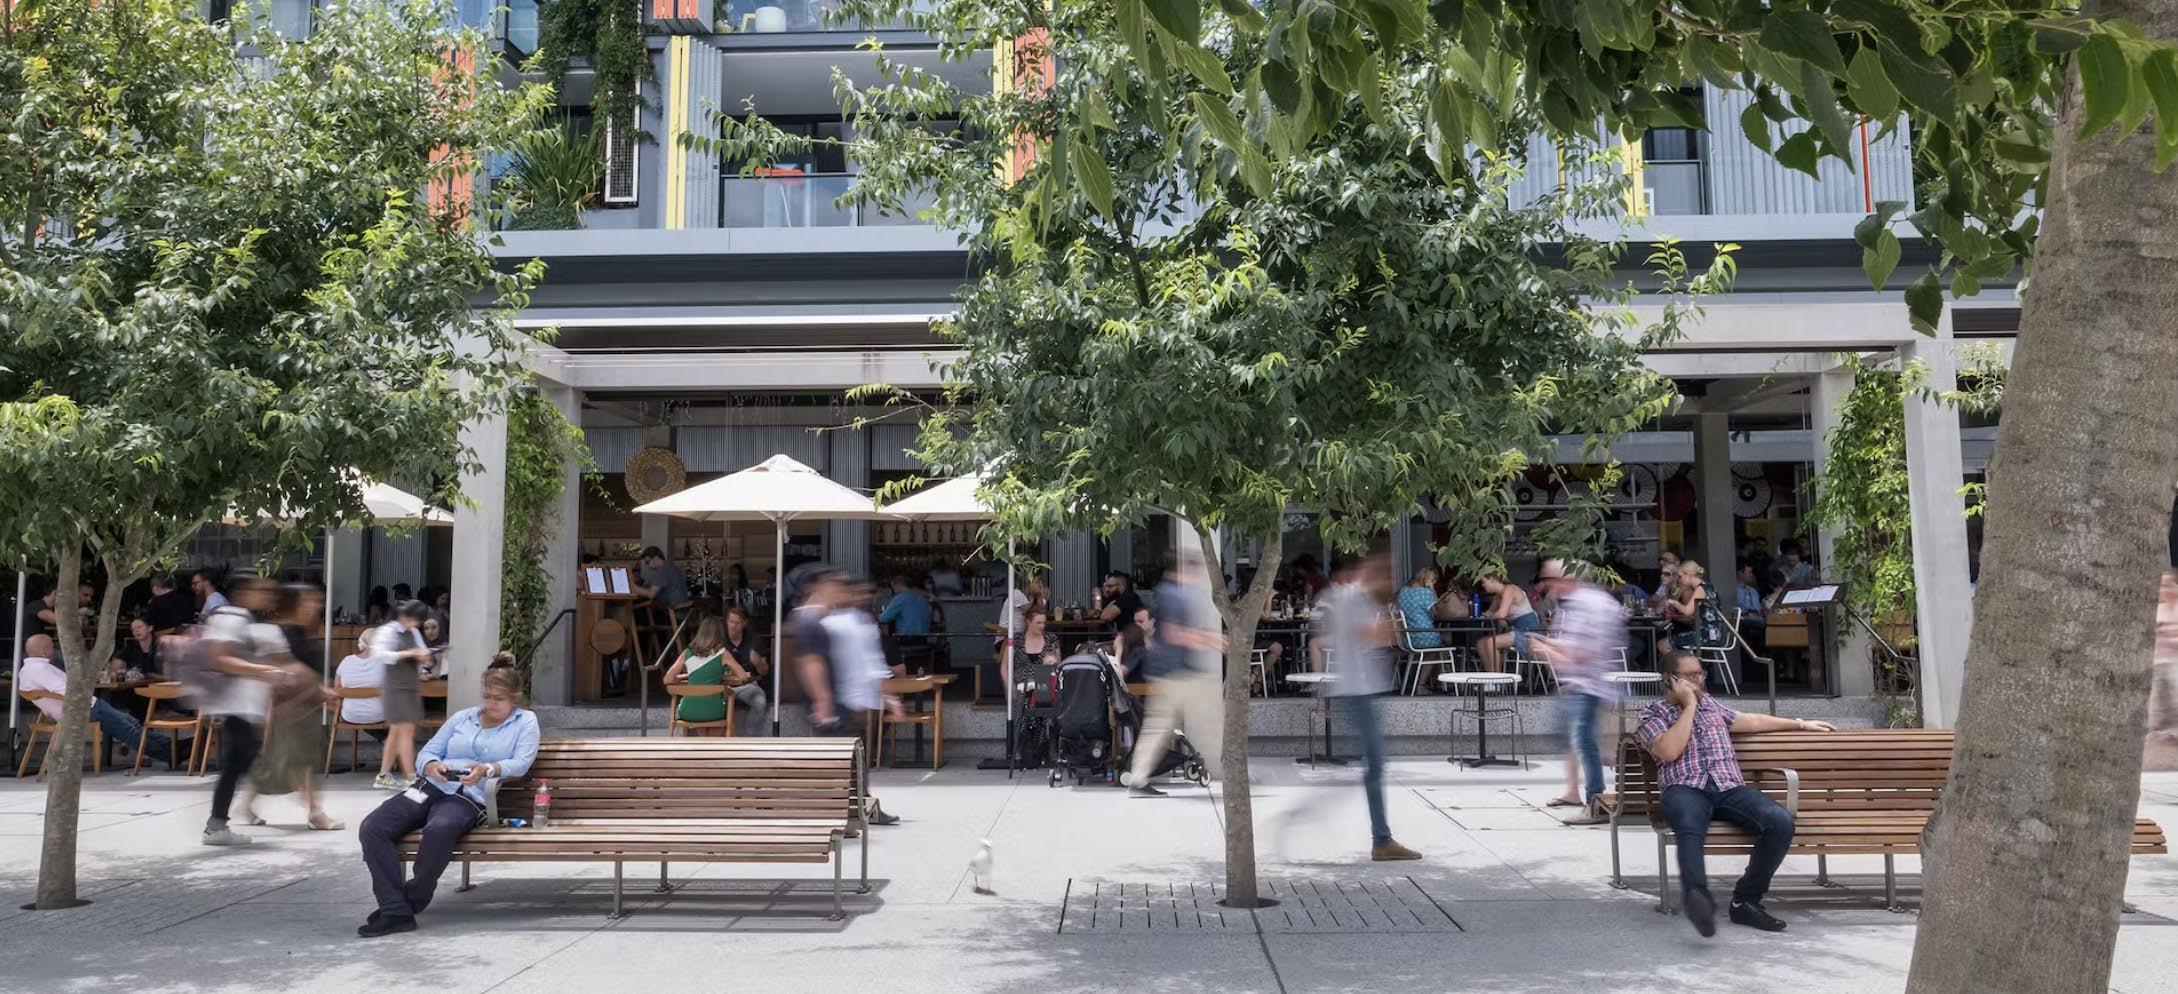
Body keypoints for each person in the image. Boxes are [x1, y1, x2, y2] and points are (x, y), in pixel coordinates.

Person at [1639, 649, 1836, 936]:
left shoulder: (1712, 706)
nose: (1698, 680)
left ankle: (1745, 901)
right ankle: (1697, 898)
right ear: (1668, 679)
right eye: (1689, 676)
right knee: (1689, 826)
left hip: (1728, 787)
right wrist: (1689, 706)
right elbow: (1669, 751)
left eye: (1700, 674)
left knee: (1779, 821)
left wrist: (1801, 723)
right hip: (1684, 788)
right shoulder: (1651, 714)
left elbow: (1751, 721)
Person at [356, 665, 540, 937]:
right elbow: (428, 751)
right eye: (487, 696)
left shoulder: (525, 722)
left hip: (468, 796)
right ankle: (395, 909)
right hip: (429, 786)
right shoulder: (463, 718)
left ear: (515, 698)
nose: (491, 704)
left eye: (499, 699)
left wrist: (487, 769)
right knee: (373, 827)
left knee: (439, 829)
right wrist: (431, 765)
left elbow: (522, 762)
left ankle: (407, 902)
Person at [1316, 553, 1422, 860]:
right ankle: (1381, 840)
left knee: (1374, 765)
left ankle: (1381, 839)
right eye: (1382, 573)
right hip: (1357, 691)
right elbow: (1375, 635)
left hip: (1364, 690)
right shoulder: (1352, 599)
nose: (1387, 579)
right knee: (1374, 764)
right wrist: (1390, 618)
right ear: (1365, 570)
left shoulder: (1356, 599)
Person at [793, 568, 901, 825]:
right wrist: (823, 699)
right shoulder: (821, 622)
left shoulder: (830, 620)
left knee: (853, 759)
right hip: (839, 702)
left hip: (847, 700)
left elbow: (864, 662)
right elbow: (813, 663)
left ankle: (858, 809)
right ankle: (848, 813)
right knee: (845, 760)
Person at [1125, 552, 1225, 798]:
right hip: (1177, 673)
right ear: (1186, 570)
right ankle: (1225, 770)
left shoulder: (1169, 592)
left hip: (1170, 672)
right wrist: (1211, 640)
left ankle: (1138, 779)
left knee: (1159, 726)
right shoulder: (1175, 595)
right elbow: (1174, 633)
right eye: (1198, 571)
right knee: (1209, 718)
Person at [1530, 561, 1625, 821]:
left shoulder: (1587, 606)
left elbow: (1582, 653)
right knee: (1573, 739)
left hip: (1588, 686)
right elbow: (1574, 646)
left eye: (1551, 580)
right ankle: (1575, 791)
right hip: (1581, 684)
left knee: (1584, 742)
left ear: (1566, 579)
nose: (1548, 586)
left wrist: (1546, 649)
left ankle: (1596, 801)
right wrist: (1550, 644)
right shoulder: (1584, 603)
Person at [242, 584, 340, 831]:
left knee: (285, 764)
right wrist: (319, 690)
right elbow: (288, 670)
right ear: (293, 603)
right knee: (297, 762)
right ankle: (315, 812)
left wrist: (320, 691)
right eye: (310, 601)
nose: (315, 607)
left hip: (306, 707)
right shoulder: (281, 634)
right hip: (290, 710)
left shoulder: (300, 632)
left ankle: (248, 804)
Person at [199, 577, 286, 846]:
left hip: (242, 706)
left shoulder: (243, 619)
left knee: (238, 763)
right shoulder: (231, 618)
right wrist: (262, 670)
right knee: (238, 762)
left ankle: (217, 824)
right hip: (233, 706)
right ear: (244, 592)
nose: (267, 595)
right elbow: (219, 659)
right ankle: (216, 826)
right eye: (262, 590)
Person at [18, 634, 171, 767]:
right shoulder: (41, 670)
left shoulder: (25, 671)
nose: (55, 650)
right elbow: (68, 692)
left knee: (132, 723)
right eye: (53, 647)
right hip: (83, 709)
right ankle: (171, 753)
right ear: (45, 651)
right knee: (129, 730)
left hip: (79, 708)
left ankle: (173, 748)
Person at [664, 612, 768, 737]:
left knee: (703, 715)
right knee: (717, 707)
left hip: (688, 711)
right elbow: (743, 676)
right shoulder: (722, 653)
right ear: (719, 634)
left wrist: (686, 677)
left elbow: (667, 679)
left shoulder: (687, 652)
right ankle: (713, 746)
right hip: (714, 711)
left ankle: (705, 746)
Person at [368, 601, 434, 790]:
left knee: (397, 731)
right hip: (395, 686)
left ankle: (383, 775)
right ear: (405, 616)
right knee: (406, 730)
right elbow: (378, 654)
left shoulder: (413, 632)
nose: (415, 625)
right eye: (415, 620)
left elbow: (423, 652)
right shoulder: (388, 631)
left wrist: (424, 656)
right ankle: (410, 776)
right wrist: (406, 653)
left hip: (411, 685)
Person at [1473, 571, 1540, 673]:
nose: (1482, 585)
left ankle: (1497, 677)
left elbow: (1501, 614)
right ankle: (1489, 676)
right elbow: (1489, 613)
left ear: (1492, 580)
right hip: (1515, 630)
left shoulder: (1510, 589)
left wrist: (1491, 616)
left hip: (1528, 632)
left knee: (1491, 642)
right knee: (1481, 643)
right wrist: (1482, 615)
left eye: (1483, 582)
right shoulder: (1498, 596)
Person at [2145, 571, 2178, 769]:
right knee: (2158, 701)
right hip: (2158, 662)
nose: (2165, 590)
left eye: (2168, 585)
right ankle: (2162, 735)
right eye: (2162, 586)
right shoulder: (2160, 610)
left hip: (2175, 662)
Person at [634, 546, 692, 612]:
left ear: (656, 558)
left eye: (648, 562)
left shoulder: (663, 569)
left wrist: (633, 587)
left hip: (675, 611)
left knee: (638, 612)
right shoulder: (668, 566)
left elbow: (651, 594)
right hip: (679, 609)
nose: (648, 566)